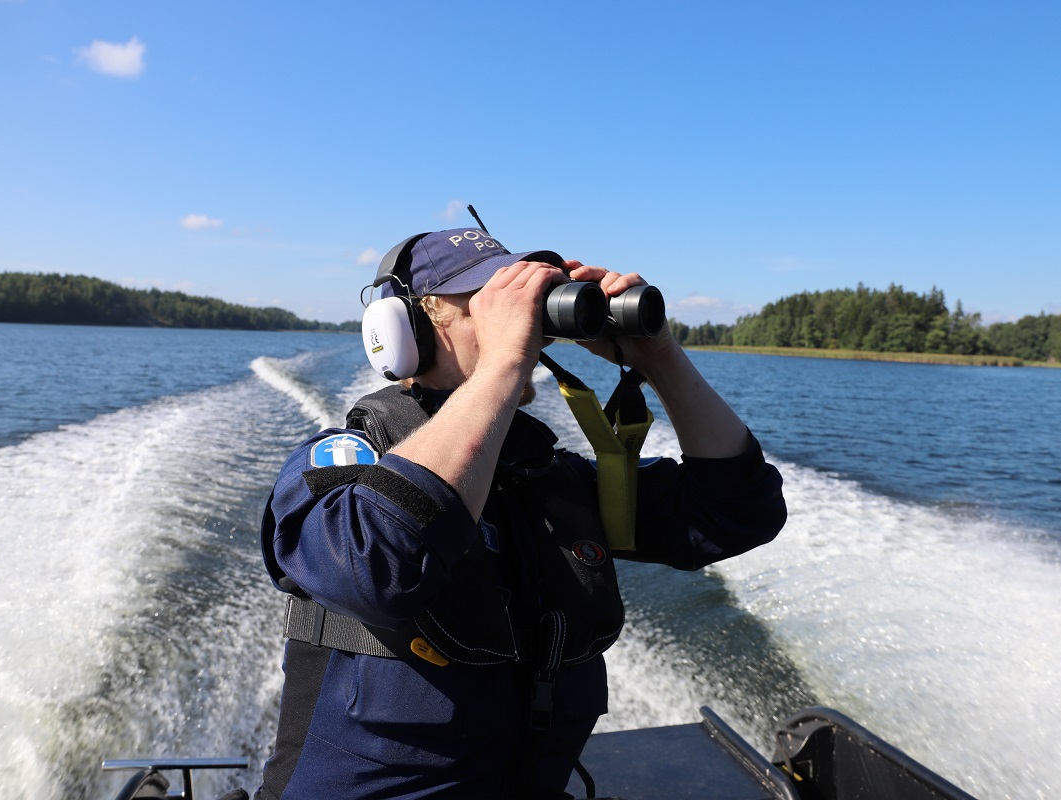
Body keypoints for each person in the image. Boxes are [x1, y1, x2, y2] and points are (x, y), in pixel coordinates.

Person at [255, 227, 787, 799]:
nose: (527, 322)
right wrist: (502, 366)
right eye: (493, 302)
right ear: (406, 332)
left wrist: (658, 356)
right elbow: (376, 567)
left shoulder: (553, 481)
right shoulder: (342, 466)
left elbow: (739, 511)